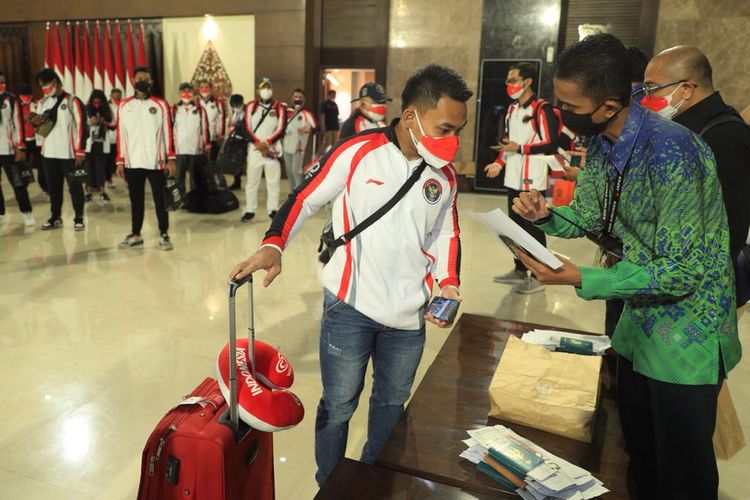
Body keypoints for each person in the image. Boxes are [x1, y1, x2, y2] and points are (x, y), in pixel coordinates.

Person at [512, 34, 741, 500]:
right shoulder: (601, 141)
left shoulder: (675, 153)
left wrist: (582, 277)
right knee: (638, 455)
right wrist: (545, 214)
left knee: (683, 475)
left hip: (685, 337)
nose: (561, 114)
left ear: (609, 103)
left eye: (568, 105)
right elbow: (594, 215)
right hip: (638, 324)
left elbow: (680, 272)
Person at [228, 64, 470, 486]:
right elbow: (304, 197)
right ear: (412, 117)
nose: (453, 141)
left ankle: (373, 477)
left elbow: (446, 232)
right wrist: (273, 243)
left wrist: (448, 281)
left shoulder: (445, 176)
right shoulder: (358, 151)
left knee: (392, 405)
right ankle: (332, 483)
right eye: (445, 128)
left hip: (409, 319)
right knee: (339, 405)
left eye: (458, 130)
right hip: (350, 306)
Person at [642, 45, 750, 311]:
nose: (646, 99)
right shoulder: (683, 129)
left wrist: (694, 285)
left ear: (687, 89)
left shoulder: (723, 136)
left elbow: (730, 224)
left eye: (653, 88)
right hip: (672, 273)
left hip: (701, 288)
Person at [483, 62, 560, 294]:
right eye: (508, 81)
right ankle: (519, 269)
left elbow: (551, 143)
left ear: (528, 82)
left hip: (533, 178)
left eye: (514, 80)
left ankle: (540, 275)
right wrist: (498, 162)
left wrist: (521, 148)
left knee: (533, 228)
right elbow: (509, 144)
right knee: (513, 226)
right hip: (513, 176)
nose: (509, 85)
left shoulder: (541, 109)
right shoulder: (511, 110)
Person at [116, 66, 176, 250]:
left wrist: (171, 159)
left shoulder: (160, 104)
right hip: (132, 162)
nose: (143, 81)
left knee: (160, 200)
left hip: (155, 161)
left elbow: (168, 132)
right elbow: (121, 135)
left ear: (151, 82)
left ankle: (164, 234)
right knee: (136, 200)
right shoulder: (124, 105)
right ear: (133, 82)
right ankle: (136, 234)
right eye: (139, 78)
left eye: (146, 78)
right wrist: (120, 160)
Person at [30, 68, 85, 231]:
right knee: (54, 188)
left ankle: (79, 218)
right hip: (48, 154)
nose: (44, 87)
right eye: (41, 85)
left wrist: (80, 150)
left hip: (69, 154)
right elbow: (40, 127)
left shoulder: (72, 101)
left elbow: (82, 126)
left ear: (56, 81)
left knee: (75, 187)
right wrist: (35, 121)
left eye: (46, 84)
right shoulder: (42, 102)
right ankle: (55, 217)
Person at [240, 77, 286, 222]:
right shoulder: (250, 106)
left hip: (272, 151)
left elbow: (281, 129)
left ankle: (273, 209)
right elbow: (246, 127)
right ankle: (249, 209)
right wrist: (258, 144)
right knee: (252, 181)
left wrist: (267, 143)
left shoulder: (279, 107)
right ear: (258, 90)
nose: (266, 90)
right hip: (254, 151)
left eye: (268, 87)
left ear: (272, 89)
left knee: (273, 182)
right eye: (263, 87)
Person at [0, 71, 34, 226]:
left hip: (9, 149)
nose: (1, 85)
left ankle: (27, 212)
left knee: (18, 182)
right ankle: (0, 212)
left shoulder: (12, 100)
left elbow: (18, 124)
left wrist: (20, 147)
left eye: (3, 82)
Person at [172, 82, 210, 194]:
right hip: (179, 150)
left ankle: (194, 200)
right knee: (179, 176)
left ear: (193, 93)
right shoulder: (174, 109)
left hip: (195, 150)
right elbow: (169, 129)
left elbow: (205, 128)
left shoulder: (200, 109)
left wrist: (207, 145)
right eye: (184, 91)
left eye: (189, 91)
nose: (186, 94)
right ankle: (181, 199)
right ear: (179, 93)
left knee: (195, 177)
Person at [283, 88, 317, 191]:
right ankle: (292, 193)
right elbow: (279, 126)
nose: (297, 99)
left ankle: (298, 194)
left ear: (304, 100)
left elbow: (315, 128)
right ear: (291, 98)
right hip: (286, 146)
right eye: (295, 97)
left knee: (296, 171)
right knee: (289, 172)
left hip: (299, 147)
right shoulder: (286, 112)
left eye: (300, 97)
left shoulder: (306, 113)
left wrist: (306, 128)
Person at [84, 89, 114, 202]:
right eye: (94, 101)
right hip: (89, 143)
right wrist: (89, 122)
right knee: (89, 167)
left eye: (99, 102)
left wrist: (103, 121)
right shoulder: (86, 109)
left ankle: (103, 191)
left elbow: (113, 124)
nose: (96, 104)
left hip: (102, 142)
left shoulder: (107, 109)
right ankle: (88, 191)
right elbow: (81, 123)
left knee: (101, 168)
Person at [18, 83, 46, 196]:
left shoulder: (37, 104)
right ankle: (22, 189)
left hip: (37, 140)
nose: (26, 98)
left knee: (42, 166)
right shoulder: (16, 106)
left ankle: (45, 188)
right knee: (23, 167)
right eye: (24, 95)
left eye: (28, 95)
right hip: (24, 141)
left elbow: (43, 119)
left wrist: (35, 119)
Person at [197, 79, 225, 160]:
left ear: (211, 89)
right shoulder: (195, 103)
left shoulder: (218, 103)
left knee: (211, 165)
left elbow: (221, 119)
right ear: (199, 90)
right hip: (199, 139)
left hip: (213, 139)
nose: (204, 89)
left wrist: (220, 135)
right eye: (202, 87)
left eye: (207, 87)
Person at [227, 93, 246, 190]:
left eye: (237, 105)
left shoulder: (247, 112)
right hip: (234, 140)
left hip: (243, 141)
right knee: (233, 161)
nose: (236, 107)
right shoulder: (234, 112)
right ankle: (235, 181)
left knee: (239, 162)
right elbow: (230, 124)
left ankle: (238, 181)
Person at [106, 88, 122, 189]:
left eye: (119, 95)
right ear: (111, 95)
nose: (117, 96)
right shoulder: (107, 106)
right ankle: (108, 179)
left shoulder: (124, 104)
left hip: (122, 137)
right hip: (110, 137)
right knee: (109, 160)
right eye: (115, 94)